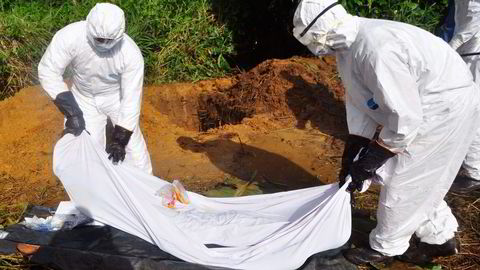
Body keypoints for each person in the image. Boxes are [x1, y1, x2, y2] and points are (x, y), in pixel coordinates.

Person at [293, 0, 480, 266]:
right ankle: (440, 235)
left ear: (327, 30)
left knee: (403, 179)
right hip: (434, 104)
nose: (318, 50)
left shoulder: (376, 49)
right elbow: (360, 102)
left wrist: (372, 159)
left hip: (443, 107)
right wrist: (354, 151)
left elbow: (405, 120)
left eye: (316, 41)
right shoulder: (350, 47)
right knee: (425, 177)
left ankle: (387, 246)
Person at [38, 3, 152, 174]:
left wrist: (120, 139)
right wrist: (72, 112)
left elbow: (131, 99)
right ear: (89, 28)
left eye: (109, 40)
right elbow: (49, 70)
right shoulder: (70, 37)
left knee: (134, 153)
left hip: (115, 98)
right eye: (99, 39)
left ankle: (144, 195)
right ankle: (93, 198)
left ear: (120, 34)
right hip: (83, 97)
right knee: (87, 150)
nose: (104, 44)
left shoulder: (130, 54)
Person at [448, 0, 480, 194]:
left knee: (473, 109)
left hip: (475, 53)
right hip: (471, 52)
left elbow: (473, 20)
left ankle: (474, 172)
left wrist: (450, 48)